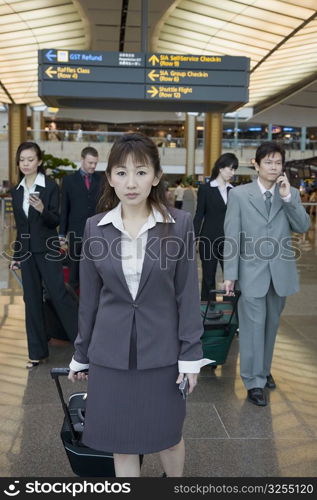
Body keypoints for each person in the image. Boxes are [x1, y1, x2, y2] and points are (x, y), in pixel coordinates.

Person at [68, 133, 210, 477]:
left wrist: (190, 356)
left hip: (162, 353)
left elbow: (187, 295)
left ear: (157, 177)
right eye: (121, 172)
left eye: (141, 172)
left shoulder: (178, 225)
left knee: (170, 438)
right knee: (122, 442)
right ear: (110, 177)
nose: (131, 183)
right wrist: (81, 353)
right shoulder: (95, 228)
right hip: (111, 355)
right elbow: (90, 300)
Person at [223, 142, 310, 407]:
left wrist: (287, 199)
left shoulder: (290, 193)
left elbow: (303, 225)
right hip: (251, 273)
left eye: (278, 163)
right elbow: (232, 236)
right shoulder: (239, 195)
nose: (274, 167)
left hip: (280, 274)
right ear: (256, 164)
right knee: (251, 329)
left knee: (271, 327)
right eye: (268, 162)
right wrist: (230, 274)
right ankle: (253, 381)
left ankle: (263, 369)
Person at [9, 142, 78, 368]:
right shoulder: (16, 190)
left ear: (39, 161)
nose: (26, 164)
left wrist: (41, 209)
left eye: (30, 159)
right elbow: (21, 226)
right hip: (27, 253)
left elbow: (55, 220)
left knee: (59, 295)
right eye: (22, 160)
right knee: (31, 301)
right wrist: (17, 255)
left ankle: (84, 347)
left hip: (47, 250)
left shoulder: (49, 186)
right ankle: (37, 353)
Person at [193, 153, 238, 301]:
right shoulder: (206, 189)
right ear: (220, 168)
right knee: (208, 277)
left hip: (230, 242)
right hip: (209, 239)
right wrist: (194, 238)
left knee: (231, 278)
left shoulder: (234, 191)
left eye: (234, 169)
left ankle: (230, 312)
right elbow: (199, 215)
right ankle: (207, 312)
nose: (233, 173)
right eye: (230, 169)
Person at [59, 146, 101, 291]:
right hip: (75, 231)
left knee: (94, 266)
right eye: (90, 162)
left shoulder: (100, 180)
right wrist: (62, 234)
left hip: (95, 232)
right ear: (82, 160)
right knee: (74, 268)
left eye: (95, 163)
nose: (93, 166)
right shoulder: (69, 181)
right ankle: (73, 301)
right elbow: (64, 209)